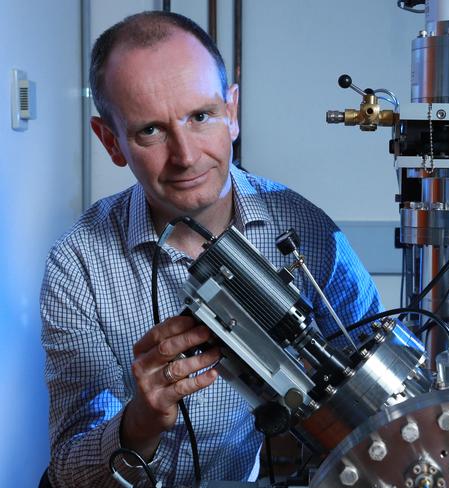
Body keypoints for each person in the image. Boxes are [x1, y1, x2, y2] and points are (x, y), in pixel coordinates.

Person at [40, 10, 381, 488]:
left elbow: (382, 398)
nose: (186, 156)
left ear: (232, 112)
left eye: (200, 116)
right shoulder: (78, 262)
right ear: (110, 141)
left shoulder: (306, 229)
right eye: (150, 131)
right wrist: (139, 423)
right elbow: (69, 471)